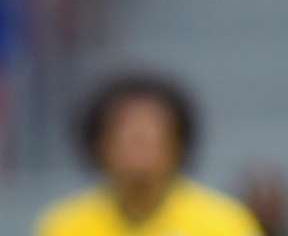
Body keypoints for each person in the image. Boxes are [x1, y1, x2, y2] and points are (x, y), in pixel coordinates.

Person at [35, 74, 263, 236]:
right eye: (127, 137)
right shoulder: (65, 225)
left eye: (151, 137)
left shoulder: (224, 223)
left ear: (178, 143)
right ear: (99, 145)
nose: (139, 150)